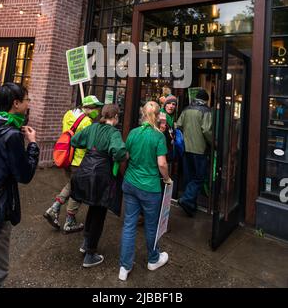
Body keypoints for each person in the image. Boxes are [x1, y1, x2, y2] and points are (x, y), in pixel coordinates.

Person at [0, 83, 39, 288]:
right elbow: (24, 174)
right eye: (27, 100)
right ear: (16, 104)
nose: (29, 104)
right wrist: (33, 145)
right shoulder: (12, 135)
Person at [119, 101, 172, 282]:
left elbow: (125, 155)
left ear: (142, 114)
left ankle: (124, 267)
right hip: (150, 188)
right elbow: (162, 164)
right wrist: (167, 179)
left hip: (130, 183)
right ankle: (153, 259)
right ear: (158, 116)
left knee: (129, 225)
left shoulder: (133, 133)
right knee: (151, 225)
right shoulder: (158, 137)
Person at [70, 104, 127, 268]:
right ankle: (90, 254)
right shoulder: (114, 132)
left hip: (86, 171)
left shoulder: (93, 127)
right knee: (99, 212)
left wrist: (90, 148)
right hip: (102, 175)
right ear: (115, 117)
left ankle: (86, 243)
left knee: (92, 209)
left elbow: (75, 140)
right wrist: (123, 155)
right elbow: (119, 152)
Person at [43, 95, 103, 233]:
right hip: (79, 161)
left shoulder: (68, 114)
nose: (98, 111)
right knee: (78, 190)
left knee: (71, 185)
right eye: (96, 108)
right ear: (87, 108)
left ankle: (54, 208)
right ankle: (69, 221)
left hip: (66, 158)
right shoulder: (87, 122)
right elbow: (88, 143)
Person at [176, 89, 212, 217]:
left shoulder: (186, 109)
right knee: (199, 177)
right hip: (199, 149)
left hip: (186, 148)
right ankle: (186, 199)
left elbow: (178, 125)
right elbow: (207, 130)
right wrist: (214, 143)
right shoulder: (206, 111)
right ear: (206, 100)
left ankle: (190, 206)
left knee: (189, 177)